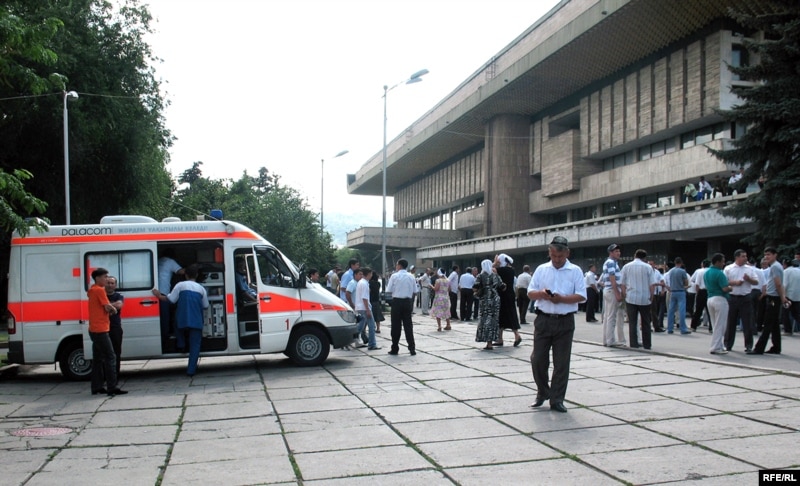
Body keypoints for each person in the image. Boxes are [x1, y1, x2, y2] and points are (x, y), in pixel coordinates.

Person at [527, 236, 586, 413]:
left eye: (560, 256)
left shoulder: (575, 271)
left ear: (567, 253)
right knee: (538, 359)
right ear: (549, 253)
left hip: (565, 320)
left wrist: (562, 299)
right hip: (543, 319)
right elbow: (530, 292)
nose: (557, 260)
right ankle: (543, 391)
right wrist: (541, 294)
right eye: (553, 256)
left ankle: (557, 399)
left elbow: (581, 295)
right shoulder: (542, 269)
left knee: (561, 362)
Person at [153, 264, 209, 376]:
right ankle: (191, 371)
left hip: (182, 320)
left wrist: (158, 295)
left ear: (186, 275)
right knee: (195, 345)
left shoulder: (180, 285)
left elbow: (170, 300)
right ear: (197, 275)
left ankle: (181, 344)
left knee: (176, 326)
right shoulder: (201, 289)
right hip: (196, 321)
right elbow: (206, 305)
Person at [88, 268, 127, 396]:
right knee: (111, 357)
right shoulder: (100, 290)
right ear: (97, 278)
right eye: (105, 277)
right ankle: (112, 387)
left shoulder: (92, 290)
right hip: (101, 329)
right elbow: (108, 306)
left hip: (93, 328)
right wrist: (113, 310)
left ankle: (96, 386)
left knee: (97, 358)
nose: (106, 280)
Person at [749, 247, 788, 355]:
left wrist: (782, 297)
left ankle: (759, 348)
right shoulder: (775, 266)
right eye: (765, 255)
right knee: (774, 324)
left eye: (769, 254)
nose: (766, 257)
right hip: (772, 297)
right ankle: (776, 347)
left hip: (773, 298)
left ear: (775, 255)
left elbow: (778, 283)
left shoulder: (775, 266)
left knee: (768, 323)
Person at [723, 249, 759, 352]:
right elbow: (724, 282)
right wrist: (735, 282)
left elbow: (756, 282)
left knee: (747, 322)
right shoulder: (729, 268)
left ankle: (748, 345)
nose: (745, 258)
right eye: (743, 256)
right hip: (732, 297)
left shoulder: (749, 269)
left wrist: (748, 279)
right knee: (731, 322)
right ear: (737, 257)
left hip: (745, 297)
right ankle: (728, 344)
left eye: (745, 256)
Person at [620, 249, 654, 350]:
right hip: (645, 298)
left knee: (632, 322)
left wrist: (624, 294)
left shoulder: (626, 266)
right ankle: (647, 344)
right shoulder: (648, 267)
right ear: (645, 258)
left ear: (635, 255)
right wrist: (651, 296)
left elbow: (622, 283)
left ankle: (633, 343)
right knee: (646, 322)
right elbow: (652, 284)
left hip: (631, 298)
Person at [386, 258, 417, 355]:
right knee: (408, 326)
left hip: (397, 302)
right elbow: (415, 291)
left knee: (396, 326)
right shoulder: (411, 276)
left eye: (396, 265)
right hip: (407, 302)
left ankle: (395, 348)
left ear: (399, 265)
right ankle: (412, 348)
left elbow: (389, 290)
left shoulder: (394, 276)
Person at [157, 249, 185, 346]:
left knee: (160, 318)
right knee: (166, 317)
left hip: (155, 293)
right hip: (163, 293)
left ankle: (163, 337)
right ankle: (166, 340)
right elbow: (181, 272)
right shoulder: (170, 261)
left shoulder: (158, 260)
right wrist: (193, 269)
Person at [705, 253, 731, 355]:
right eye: (722, 261)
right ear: (718, 262)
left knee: (715, 324)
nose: (723, 264)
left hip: (710, 298)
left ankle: (719, 345)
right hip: (720, 299)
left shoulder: (707, 272)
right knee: (721, 325)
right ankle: (716, 347)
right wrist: (731, 288)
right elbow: (725, 288)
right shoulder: (720, 273)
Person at [473, 259, 503, 349]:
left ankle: (488, 342)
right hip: (495, 299)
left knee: (485, 320)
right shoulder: (496, 275)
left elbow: (475, 288)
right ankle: (491, 341)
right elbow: (502, 286)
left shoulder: (480, 276)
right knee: (493, 320)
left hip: (485, 300)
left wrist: (480, 291)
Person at [494, 254, 522, 347]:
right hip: (510, 294)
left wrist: (494, 263)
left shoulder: (500, 270)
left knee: (501, 316)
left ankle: (501, 338)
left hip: (502, 295)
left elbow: (488, 271)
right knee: (510, 315)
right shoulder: (511, 270)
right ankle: (514, 335)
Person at [602, 244, 626, 347]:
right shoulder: (611, 263)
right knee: (612, 317)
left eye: (619, 251)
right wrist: (617, 293)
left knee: (608, 316)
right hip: (612, 291)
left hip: (608, 290)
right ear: (610, 253)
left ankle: (606, 340)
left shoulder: (610, 262)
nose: (618, 253)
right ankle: (611, 340)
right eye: (616, 251)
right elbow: (612, 278)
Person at [356, 267, 380, 350]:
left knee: (360, 327)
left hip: (360, 307)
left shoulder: (360, 282)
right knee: (371, 326)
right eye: (371, 274)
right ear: (369, 274)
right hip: (364, 307)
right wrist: (368, 310)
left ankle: (350, 338)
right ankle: (372, 344)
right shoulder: (365, 283)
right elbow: (365, 298)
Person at [105, 275, 124, 377]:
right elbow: (102, 306)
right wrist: (113, 306)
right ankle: (106, 376)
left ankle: (116, 376)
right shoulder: (102, 295)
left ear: (115, 285)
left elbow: (119, 305)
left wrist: (107, 306)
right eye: (108, 283)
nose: (110, 285)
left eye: (112, 283)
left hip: (115, 327)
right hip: (104, 328)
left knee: (116, 352)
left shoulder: (118, 296)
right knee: (105, 354)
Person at [666, 257, 691, 334]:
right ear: (681, 263)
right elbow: (686, 282)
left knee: (671, 310)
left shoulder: (671, 271)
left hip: (673, 292)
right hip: (680, 291)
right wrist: (685, 286)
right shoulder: (682, 271)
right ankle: (683, 328)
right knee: (681, 310)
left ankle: (670, 328)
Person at [690, 260, 710, 331]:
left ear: (703, 265)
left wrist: (697, 292)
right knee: (709, 311)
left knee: (698, 310)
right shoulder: (711, 271)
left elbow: (697, 284)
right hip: (709, 291)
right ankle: (711, 328)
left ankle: (693, 326)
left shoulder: (700, 271)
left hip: (701, 291)